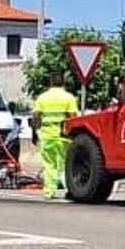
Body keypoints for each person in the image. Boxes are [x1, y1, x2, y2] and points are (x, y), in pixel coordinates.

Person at [31, 73, 79, 201]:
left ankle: (49, 192)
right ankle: (70, 190)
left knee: (49, 165)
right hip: (64, 136)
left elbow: (36, 117)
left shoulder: (42, 98)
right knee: (65, 164)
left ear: (50, 82)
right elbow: (73, 117)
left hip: (47, 136)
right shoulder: (69, 98)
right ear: (63, 83)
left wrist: (35, 132)